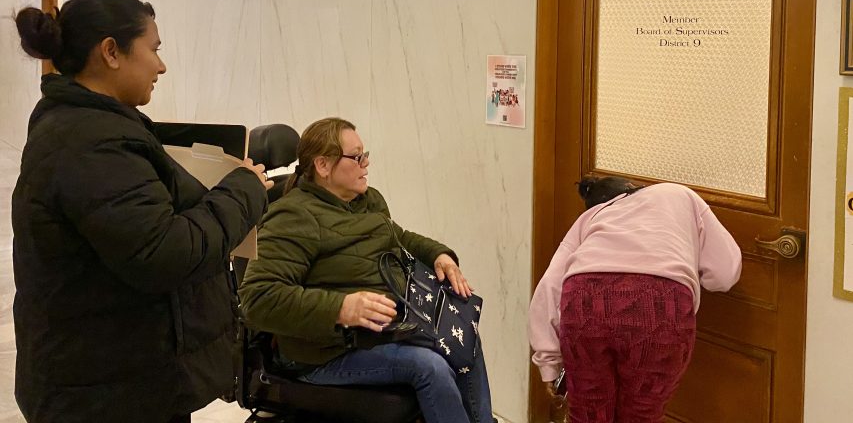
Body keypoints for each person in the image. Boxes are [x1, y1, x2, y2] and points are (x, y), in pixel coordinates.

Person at [11, 0, 272, 423]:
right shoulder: (91, 143)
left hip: (122, 379)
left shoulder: (91, 127)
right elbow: (165, 252)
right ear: (111, 52)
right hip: (102, 395)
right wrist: (244, 189)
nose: (161, 66)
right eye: (154, 49)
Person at [239, 117, 493, 423]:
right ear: (322, 165)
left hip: (383, 331)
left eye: (365, 154)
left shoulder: (366, 201)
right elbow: (258, 298)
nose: (366, 163)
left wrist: (439, 255)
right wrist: (341, 308)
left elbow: (399, 237)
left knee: (465, 336)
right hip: (322, 352)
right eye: (357, 157)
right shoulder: (294, 216)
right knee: (430, 366)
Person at [528, 176, 742, 423]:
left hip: (586, 298)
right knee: (641, 415)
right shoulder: (678, 194)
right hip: (660, 304)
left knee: (588, 414)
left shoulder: (591, 217)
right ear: (629, 188)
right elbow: (725, 273)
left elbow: (549, 287)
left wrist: (549, 363)